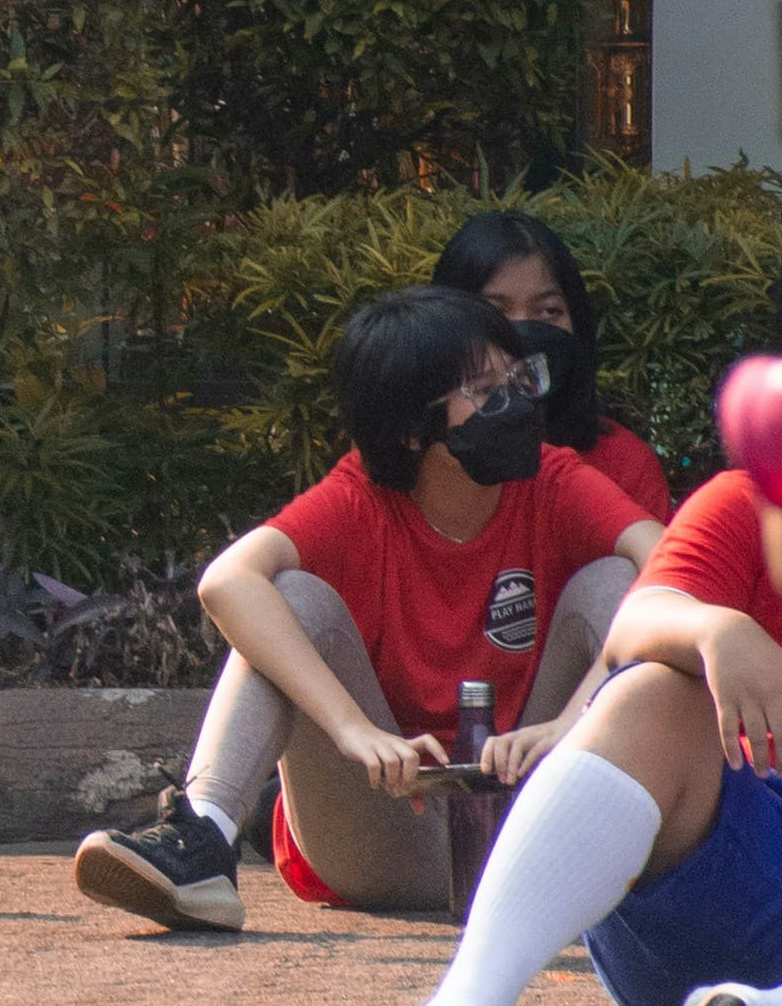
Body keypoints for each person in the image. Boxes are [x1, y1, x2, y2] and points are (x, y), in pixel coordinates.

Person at [76, 285, 657, 938]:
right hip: (393, 823)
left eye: (519, 377)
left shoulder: (552, 478)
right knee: (291, 598)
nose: (517, 400)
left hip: (532, 816)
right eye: (485, 388)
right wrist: (352, 730)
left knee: (616, 580)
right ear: (411, 430)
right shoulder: (359, 498)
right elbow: (226, 581)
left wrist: (571, 719)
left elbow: (668, 566)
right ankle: (202, 840)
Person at [361, 408, 782, 1006]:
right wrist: (712, 629)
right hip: (732, 883)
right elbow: (635, 623)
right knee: (648, 693)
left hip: (740, 991)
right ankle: (471, 995)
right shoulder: (745, 502)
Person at [430, 206, 671, 522]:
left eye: (547, 311)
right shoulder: (421, 464)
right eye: (494, 312)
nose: (521, 334)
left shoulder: (622, 464)